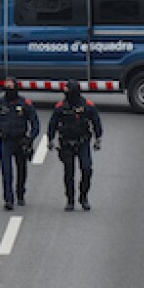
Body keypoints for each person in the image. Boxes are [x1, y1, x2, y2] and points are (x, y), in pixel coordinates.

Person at [0, 83, 40, 210]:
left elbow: (35, 124)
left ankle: (20, 193)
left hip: (21, 141)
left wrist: (30, 139)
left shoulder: (25, 103)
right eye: (7, 88)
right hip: (5, 142)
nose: (9, 90)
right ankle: (8, 199)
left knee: (21, 170)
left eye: (11, 88)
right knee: (6, 172)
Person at [47, 81, 103, 210]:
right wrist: (50, 139)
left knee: (87, 168)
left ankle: (83, 197)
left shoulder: (87, 105)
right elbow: (53, 123)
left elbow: (96, 121)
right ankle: (70, 199)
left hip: (82, 142)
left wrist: (98, 138)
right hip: (66, 143)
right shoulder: (61, 106)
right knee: (68, 173)